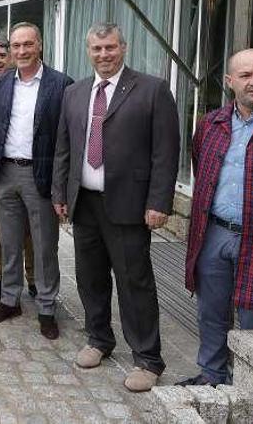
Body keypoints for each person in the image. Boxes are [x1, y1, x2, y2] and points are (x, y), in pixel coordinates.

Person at [52, 22, 179, 392]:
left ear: (123, 48)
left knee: (134, 281)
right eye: (97, 48)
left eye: (110, 47)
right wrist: (60, 193)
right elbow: (65, 147)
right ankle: (99, 339)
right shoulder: (75, 93)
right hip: (85, 203)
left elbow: (165, 153)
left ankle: (147, 359)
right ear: (87, 51)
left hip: (129, 204)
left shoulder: (152, 89)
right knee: (90, 277)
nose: (103, 54)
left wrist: (159, 202)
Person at [176, 49, 253, 387]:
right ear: (230, 81)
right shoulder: (211, 125)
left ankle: (250, 384)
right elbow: (202, 170)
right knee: (211, 311)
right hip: (215, 233)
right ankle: (212, 375)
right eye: (246, 75)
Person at [0, 23, 73, 340]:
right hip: (5, 173)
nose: (21, 51)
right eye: (16, 46)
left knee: (45, 244)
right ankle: (10, 299)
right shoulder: (3, 83)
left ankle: (47, 307)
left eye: (27, 45)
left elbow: (67, 140)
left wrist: (61, 186)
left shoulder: (60, 84)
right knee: (8, 242)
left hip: (41, 175)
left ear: (40, 45)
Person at [0, 35, 37, 302]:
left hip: (27, 167)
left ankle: (34, 277)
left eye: (1, 55)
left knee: (30, 227)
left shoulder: (20, 84)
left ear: (10, 57)